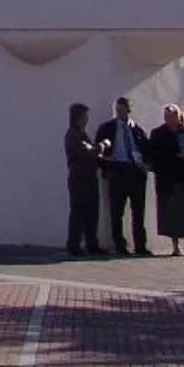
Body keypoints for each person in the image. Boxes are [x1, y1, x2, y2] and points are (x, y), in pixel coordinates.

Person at [95, 95, 152, 256]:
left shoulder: (137, 130)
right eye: (117, 110)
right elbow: (98, 150)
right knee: (116, 211)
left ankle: (140, 245)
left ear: (129, 110)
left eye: (122, 109)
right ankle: (120, 245)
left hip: (135, 171)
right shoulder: (108, 128)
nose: (119, 112)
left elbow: (146, 149)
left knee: (138, 210)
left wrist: (147, 165)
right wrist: (107, 169)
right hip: (118, 170)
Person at [147, 103, 184, 257]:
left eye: (172, 117)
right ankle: (176, 247)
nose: (169, 120)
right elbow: (152, 154)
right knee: (172, 214)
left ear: (179, 117)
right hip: (167, 177)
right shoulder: (158, 133)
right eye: (167, 117)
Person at [60, 102, 103, 256]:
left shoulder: (82, 134)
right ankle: (74, 244)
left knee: (92, 212)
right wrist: (100, 148)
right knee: (78, 212)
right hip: (79, 179)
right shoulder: (73, 135)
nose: (86, 119)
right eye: (84, 116)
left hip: (89, 178)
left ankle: (92, 243)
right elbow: (85, 153)